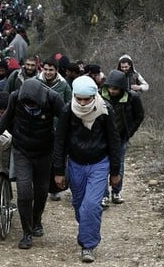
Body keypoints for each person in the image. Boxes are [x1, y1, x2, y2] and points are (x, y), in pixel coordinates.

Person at [53, 76, 121, 263]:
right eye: (79, 98)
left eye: (87, 99)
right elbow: (59, 142)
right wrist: (58, 171)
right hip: (76, 164)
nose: (82, 103)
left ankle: (88, 245)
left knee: (91, 205)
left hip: (99, 163)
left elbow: (114, 142)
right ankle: (88, 227)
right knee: (79, 205)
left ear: (94, 96)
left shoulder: (105, 110)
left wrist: (115, 172)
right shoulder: (68, 110)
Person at [0, 78, 64, 250]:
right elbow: (6, 117)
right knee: (24, 192)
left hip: (45, 151)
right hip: (22, 149)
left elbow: (66, 121)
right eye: (27, 103)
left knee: (41, 191)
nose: (30, 106)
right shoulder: (15, 97)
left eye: (33, 104)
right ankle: (26, 233)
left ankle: (37, 220)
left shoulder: (53, 98)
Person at [100, 70, 144, 207]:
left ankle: (116, 191)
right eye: (110, 88)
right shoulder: (100, 96)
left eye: (116, 88)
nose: (112, 91)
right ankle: (104, 195)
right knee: (102, 166)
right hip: (102, 138)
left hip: (121, 137)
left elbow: (139, 116)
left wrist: (129, 132)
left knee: (118, 165)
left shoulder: (132, 97)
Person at [36, 57, 72, 201]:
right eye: (46, 69)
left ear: (56, 70)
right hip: (40, 128)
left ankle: (55, 188)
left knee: (58, 158)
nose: (48, 72)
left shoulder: (64, 86)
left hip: (58, 128)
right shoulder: (36, 83)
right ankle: (40, 186)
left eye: (51, 70)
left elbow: (69, 106)